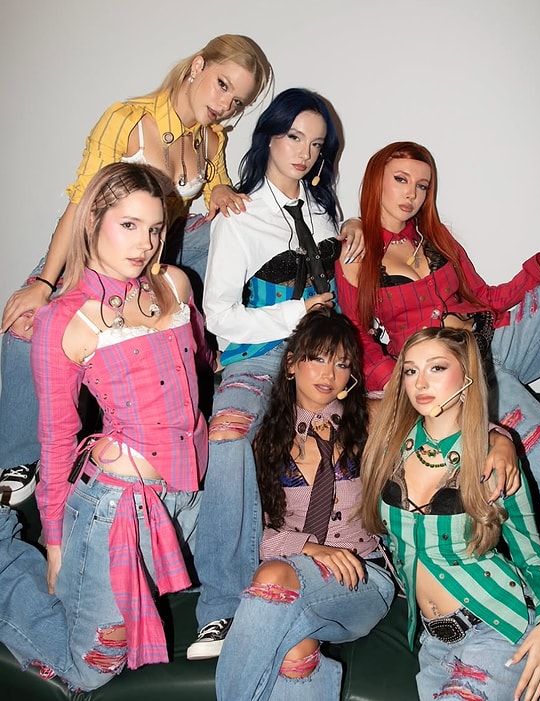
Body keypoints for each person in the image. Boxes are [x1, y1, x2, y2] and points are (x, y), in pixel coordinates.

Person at [0, 34, 273, 505]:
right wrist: (44, 282)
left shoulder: (211, 138)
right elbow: (80, 204)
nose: (226, 105)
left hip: (156, 253)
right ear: (197, 66)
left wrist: (221, 192)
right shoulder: (128, 119)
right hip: (96, 248)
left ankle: (230, 336)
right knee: (28, 327)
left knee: (235, 226)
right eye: (222, 85)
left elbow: (218, 186)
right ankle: (17, 462)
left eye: (238, 101)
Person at [0, 162, 210, 691]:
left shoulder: (174, 284)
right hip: (114, 507)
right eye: (129, 225)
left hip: (186, 497)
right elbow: (56, 440)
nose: (145, 243)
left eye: (155, 228)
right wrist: (54, 546)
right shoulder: (62, 318)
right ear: (93, 219)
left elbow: (200, 369)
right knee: (94, 668)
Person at [336, 141, 540, 540]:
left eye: (422, 186)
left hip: (498, 338)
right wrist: (400, 380)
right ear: (376, 182)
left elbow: (485, 297)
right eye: (401, 180)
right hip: (460, 376)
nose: (412, 194)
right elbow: (358, 336)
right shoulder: (357, 253)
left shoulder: (436, 237)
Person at [186, 87, 349, 659]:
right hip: (258, 356)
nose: (304, 152)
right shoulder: (240, 216)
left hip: (325, 360)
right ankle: (220, 609)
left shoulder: (326, 213)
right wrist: (294, 313)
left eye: (317, 144)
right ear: (270, 138)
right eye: (294, 137)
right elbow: (218, 315)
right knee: (228, 437)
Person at [359, 327, 540, 701]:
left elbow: (534, 556)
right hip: (434, 644)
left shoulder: (493, 462)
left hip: (501, 628)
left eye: (436, 368)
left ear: (467, 374)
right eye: (410, 370)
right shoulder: (388, 447)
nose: (421, 382)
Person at [215, 307, 396, 701]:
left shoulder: (370, 417)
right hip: (294, 578)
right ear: (292, 364)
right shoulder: (263, 439)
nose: (329, 374)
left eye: (342, 364)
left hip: (362, 577)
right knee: (296, 649)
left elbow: (441, 415)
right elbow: (245, 533)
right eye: (318, 359)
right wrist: (310, 548)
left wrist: (499, 439)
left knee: (272, 577)